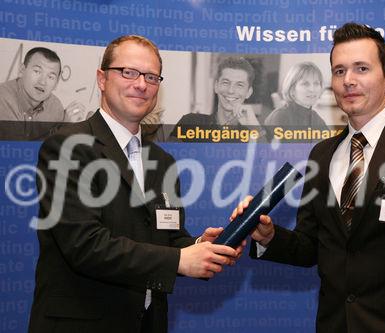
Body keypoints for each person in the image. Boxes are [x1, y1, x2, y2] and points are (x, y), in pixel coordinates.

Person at [233, 23, 385, 332]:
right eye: (339, 71)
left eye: (361, 68)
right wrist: (270, 238)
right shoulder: (321, 155)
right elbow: (313, 246)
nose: (349, 80)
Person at [28, 35, 241, 333]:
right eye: (128, 72)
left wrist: (198, 246)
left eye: (151, 77)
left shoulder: (163, 161)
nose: (141, 84)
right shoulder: (68, 146)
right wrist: (179, 259)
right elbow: (84, 245)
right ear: (102, 79)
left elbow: (165, 237)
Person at [0, 47, 87, 139]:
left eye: (50, 77)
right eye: (37, 71)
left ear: (56, 83)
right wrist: (64, 129)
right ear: (22, 70)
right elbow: (19, 150)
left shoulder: (55, 107)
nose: (42, 82)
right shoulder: (3, 98)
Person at [264, 61, 328, 129]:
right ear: (292, 89)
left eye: (316, 83)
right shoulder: (280, 117)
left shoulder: (317, 119)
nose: (312, 89)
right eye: (305, 84)